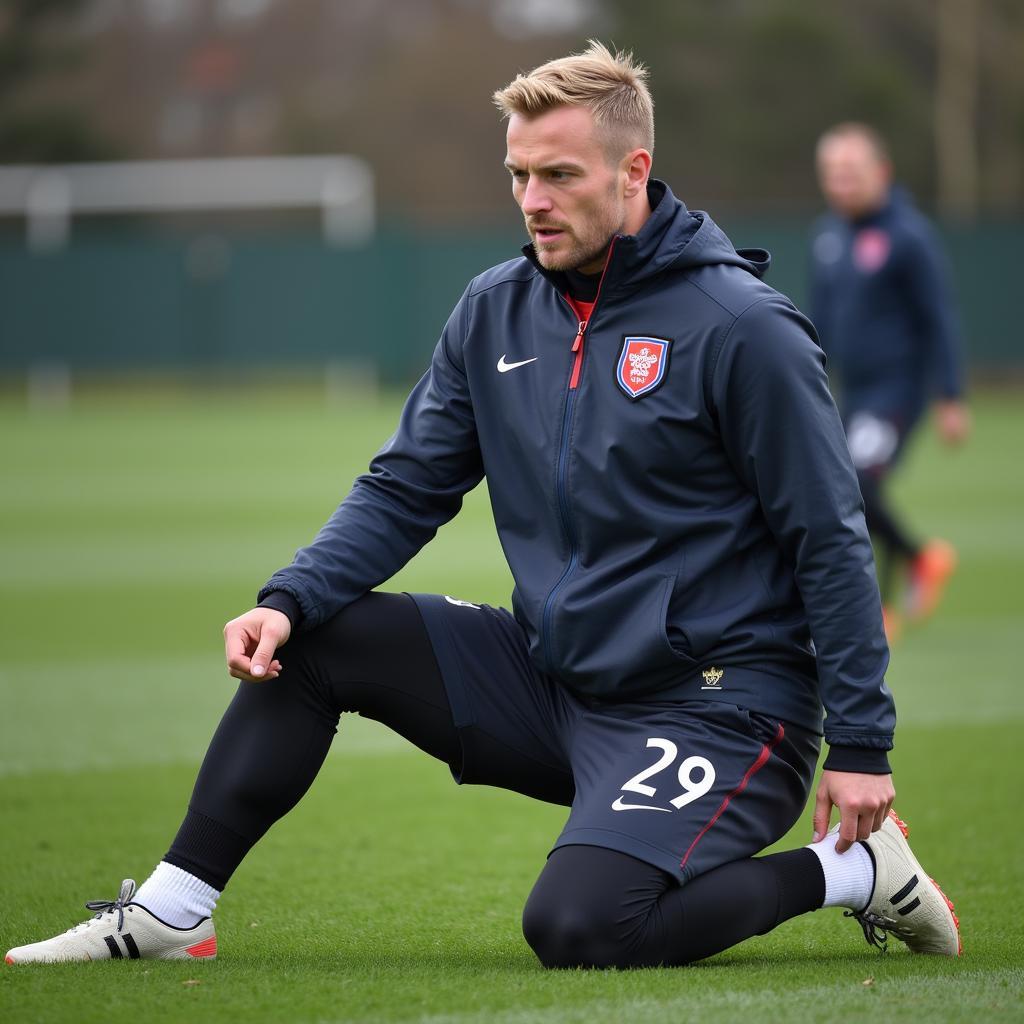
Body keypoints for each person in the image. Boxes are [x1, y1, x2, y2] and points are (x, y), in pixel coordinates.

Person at [6, 43, 960, 969]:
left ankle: (852, 871)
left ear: (635, 171)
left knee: (582, 928)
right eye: (517, 176)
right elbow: (405, 486)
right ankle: (174, 910)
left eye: (558, 175)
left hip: (720, 708)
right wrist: (288, 597)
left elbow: (829, 539)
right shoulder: (494, 309)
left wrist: (863, 744)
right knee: (308, 638)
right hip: (557, 679)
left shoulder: (743, 329)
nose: (533, 202)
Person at [811, 123, 970, 641]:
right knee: (846, 489)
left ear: (882, 173)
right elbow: (821, 321)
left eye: (851, 172)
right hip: (852, 394)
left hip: (897, 391)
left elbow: (938, 317)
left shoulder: (908, 235)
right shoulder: (830, 237)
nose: (841, 184)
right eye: (832, 174)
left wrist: (950, 395)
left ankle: (885, 596)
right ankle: (918, 561)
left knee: (856, 484)